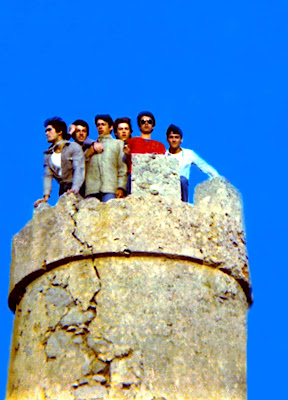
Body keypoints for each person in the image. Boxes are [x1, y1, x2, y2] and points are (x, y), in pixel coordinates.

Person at [34, 117, 85, 207]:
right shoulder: (48, 154)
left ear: (59, 132)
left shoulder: (73, 147)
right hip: (63, 190)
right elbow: (47, 176)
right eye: (46, 131)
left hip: (80, 189)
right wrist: (46, 197)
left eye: (49, 130)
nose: (46, 133)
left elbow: (79, 169)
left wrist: (75, 189)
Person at [165, 124, 219, 202]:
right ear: (167, 139)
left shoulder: (189, 154)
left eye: (176, 137)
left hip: (182, 189)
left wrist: (217, 177)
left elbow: (204, 166)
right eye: (171, 137)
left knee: (182, 179)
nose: (174, 140)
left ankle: (183, 206)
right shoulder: (164, 155)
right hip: (168, 188)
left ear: (181, 139)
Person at [85, 114, 127, 202]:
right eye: (98, 125)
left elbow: (122, 168)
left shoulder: (117, 144)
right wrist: (88, 154)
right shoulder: (90, 147)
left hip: (110, 188)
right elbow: (81, 167)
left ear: (111, 127)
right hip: (92, 190)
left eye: (103, 124)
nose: (100, 127)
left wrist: (121, 187)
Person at [124, 111, 166, 193]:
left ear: (153, 126)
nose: (146, 123)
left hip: (154, 180)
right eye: (143, 122)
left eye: (149, 122)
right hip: (135, 178)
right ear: (139, 126)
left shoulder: (160, 146)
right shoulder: (131, 142)